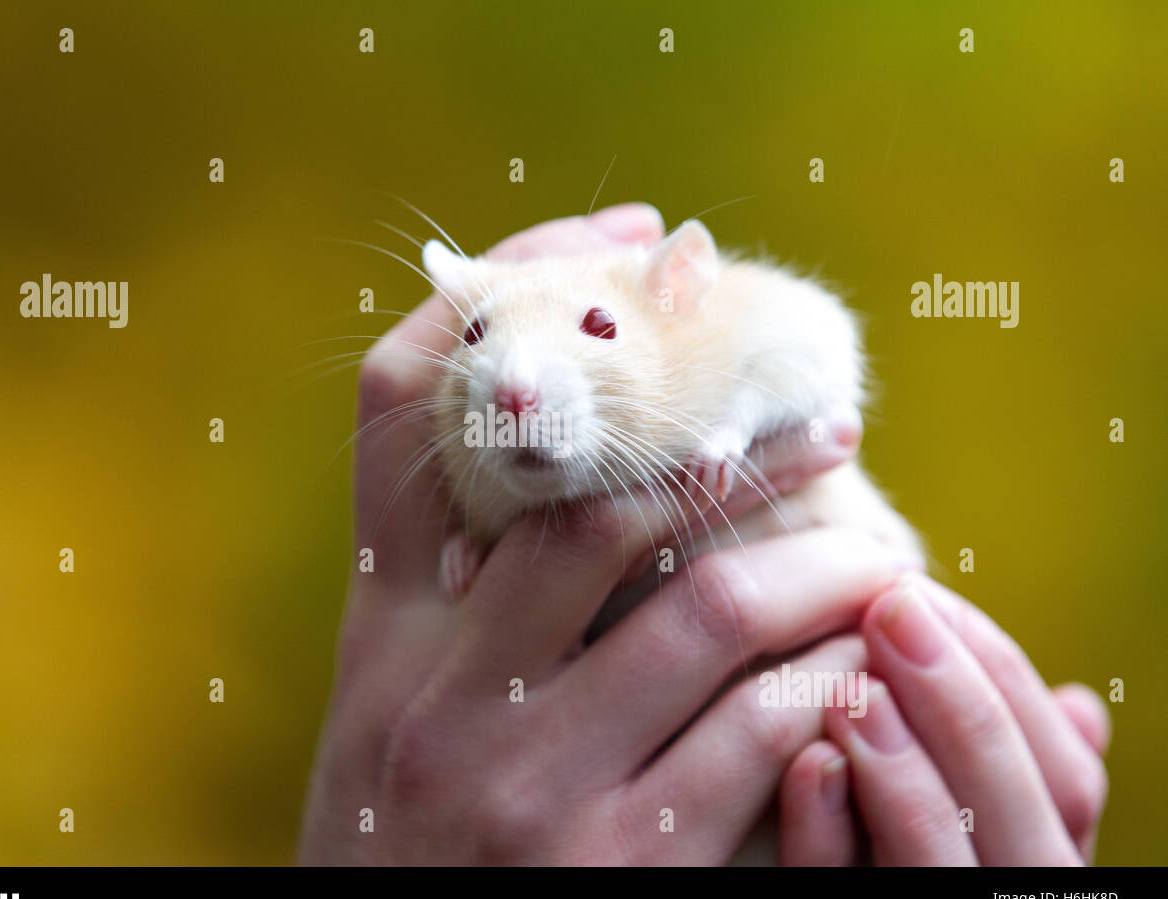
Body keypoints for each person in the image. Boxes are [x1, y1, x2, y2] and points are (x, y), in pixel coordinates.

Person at [299, 205, 1109, 865]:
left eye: (595, 326)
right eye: (477, 336)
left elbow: (820, 340)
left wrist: (737, 424)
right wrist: (476, 542)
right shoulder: (463, 463)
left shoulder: (724, 326)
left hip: (853, 702)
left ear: (677, 286)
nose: (513, 386)